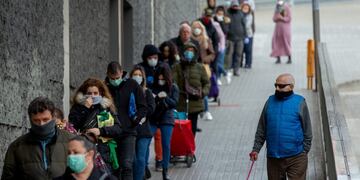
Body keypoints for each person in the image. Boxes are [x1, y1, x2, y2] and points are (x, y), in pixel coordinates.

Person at [250, 73, 312, 180]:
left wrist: (304, 151)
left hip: (296, 157)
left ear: (291, 86)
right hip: (274, 158)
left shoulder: (300, 102)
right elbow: (262, 128)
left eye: (282, 86)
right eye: (276, 85)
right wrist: (256, 149)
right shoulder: (269, 102)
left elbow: (307, 129)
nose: (278, 88)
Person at [2, 97, 74, 180]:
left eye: (45, 119)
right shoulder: (17, 147)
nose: (41, 124)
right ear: (31, 120)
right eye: (36, 120)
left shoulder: (72, 141)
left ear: (53, 117)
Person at [68, 78, 122, 174]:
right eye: (89, 93)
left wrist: (101, 131)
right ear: (84, 94)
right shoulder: (78, 107)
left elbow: (118, 129)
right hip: (84, 151)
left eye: (95, 93)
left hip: (104, 152)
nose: (92, 96)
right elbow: (72, 126)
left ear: (100, 93)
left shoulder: (106, 107)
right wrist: (85, 108)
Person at [105, 61, 147, 180]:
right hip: (110, 133)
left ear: (122, 73)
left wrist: (135, 120)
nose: (115, 80)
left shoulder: (132, 85)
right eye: (112, 78)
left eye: (117, 77)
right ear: (108, 74)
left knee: (127, 165)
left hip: (128, 132)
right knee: (114, 167)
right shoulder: (104, 87)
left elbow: (143, 106)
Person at [172, 42, 210, 136]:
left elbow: (207, 83)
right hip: (180, 105)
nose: (189, 53)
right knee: (180, 129)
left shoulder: (200, 67)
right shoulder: (177, 67)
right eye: (187, 51)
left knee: (192, 130)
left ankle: (190, 149)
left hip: (195, 104)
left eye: (192, 51)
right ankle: (181, 149)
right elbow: (173, 83)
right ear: (183, 52)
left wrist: (203, 93)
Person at [150, 66, 179, 180]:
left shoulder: (173, 87)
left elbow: (174, 103)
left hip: (166, 117)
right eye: (159, 78)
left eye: (163, 79)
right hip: (154, 116)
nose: (161, 81)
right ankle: (144, 169)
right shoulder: (153, 86)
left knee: (166, 144)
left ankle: (165, 171)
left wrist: (165, 98)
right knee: (146, 140)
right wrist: (157, 98)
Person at [129, 65, 156, 180]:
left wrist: (141, 114)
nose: (137, 77)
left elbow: (151, 108)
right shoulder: (127, 91)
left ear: (143, 78)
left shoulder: (147, 92)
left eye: (140, 75)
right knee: (132, 159)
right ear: (131, 77)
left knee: (140, 159)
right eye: (135, 75)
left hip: (144, 131)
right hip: (130, 130)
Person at [191, 20, 215, 121]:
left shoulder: (206, 40)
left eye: (198, 27)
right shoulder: (190, 40)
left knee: (202, 89)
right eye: (195, 27)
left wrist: (205, 60)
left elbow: (212, 54)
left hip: (203, 68)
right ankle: (198, 110)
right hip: (191, 68)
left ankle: (206, 111)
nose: (197, 30)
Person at [225, 0, 247, 76]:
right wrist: (227, 33)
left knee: (238, 55)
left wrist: (245, 35)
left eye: (236, 6)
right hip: (230, 39)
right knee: (229, 55)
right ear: (231, 6)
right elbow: (225, 25)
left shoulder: (241, 14)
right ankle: (227, 69)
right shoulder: (227, 14)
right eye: (234, 6)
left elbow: (244, 25)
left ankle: (236, 70)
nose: (235, 7)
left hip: (240, 38)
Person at [214, 5, 232, 84]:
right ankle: (226, 73)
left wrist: (221, 22)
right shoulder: (213, 20)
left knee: (219, 62)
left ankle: (218, 78)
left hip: (222, 44)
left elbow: (225, 31)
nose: (220, 14)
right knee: (216, 62)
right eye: (218, 13)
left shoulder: (226, 20)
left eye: (221, 13)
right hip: (214, 44)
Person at [199, 8, 219, 75]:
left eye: (210, 16)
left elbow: (216, 41)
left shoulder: (212, 27)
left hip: (209, 51)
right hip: (199, 51)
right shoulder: (198, 24)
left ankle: (214, 81)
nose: (208, 18)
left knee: (213, 68)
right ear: (203, 15)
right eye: (207, 16)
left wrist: (215, 52)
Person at [241, 2, 254, 68]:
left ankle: (248, 63)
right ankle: (240, 63)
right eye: (244, 8)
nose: (245, 9)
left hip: (248, 35)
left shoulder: (250, 16)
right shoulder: (240, 15)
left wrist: (240, 26)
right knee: (241, 50)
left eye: (247, 8)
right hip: (241, 35)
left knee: (248, 50)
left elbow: (247, 25)